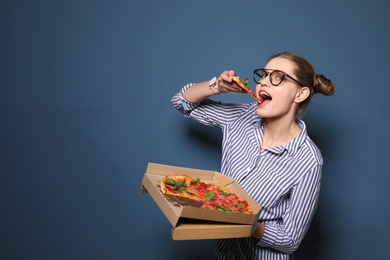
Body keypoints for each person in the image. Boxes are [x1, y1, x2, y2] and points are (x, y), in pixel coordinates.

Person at [171, 51, 336, 260]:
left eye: (278, 77)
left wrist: (248, 223)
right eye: (264, 75)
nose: (264, 83)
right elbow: (181, 102)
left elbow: (291, 240)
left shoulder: (308, 160)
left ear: (300, 94)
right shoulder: (240, 117)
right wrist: (216, 87)